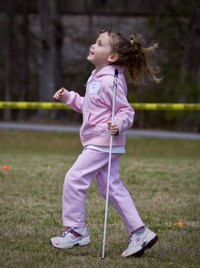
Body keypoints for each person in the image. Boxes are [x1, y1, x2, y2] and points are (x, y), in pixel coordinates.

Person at [50, 28, 162, 257]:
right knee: (111, 187)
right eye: (95, 41)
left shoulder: (111, 81)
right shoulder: (97, 77)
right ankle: (140, 232)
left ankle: (76, 231)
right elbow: (90, 107)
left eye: (100, 44)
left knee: (75, 178)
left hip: (103, 141)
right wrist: (69, 98)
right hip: (100, 141)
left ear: (112, 57)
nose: (93, 45)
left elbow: (125, 111)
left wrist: (119, 124)